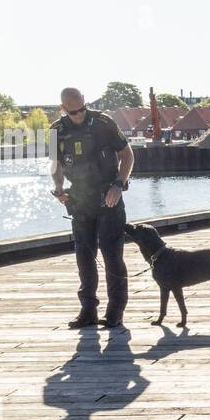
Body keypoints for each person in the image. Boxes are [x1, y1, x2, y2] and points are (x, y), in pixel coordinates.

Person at [51, 88, 134, 329]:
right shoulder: (56, 130)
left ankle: (115, 311)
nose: (79, 115)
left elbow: (127, 156)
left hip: (109, 196)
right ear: (63, 109)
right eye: (73, 112)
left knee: (112, 256)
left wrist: (119, 185)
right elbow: (55, 165)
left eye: (82, 109)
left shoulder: (103, 122)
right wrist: (59, 188)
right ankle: (88, 311)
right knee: (84, 258)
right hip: (79, 200)